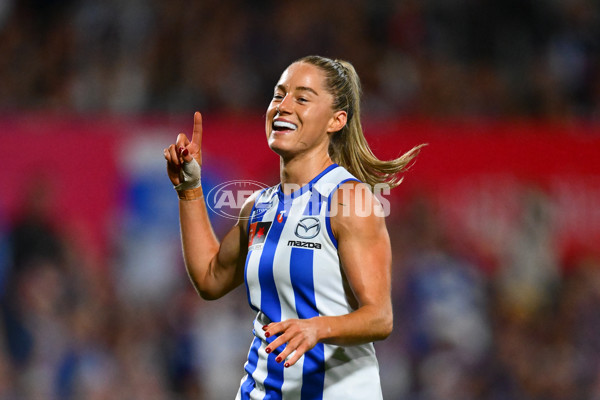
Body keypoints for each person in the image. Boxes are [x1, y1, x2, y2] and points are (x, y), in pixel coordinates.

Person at [163, 55, 424, 399]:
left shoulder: (349, 202)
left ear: (336, 120)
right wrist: (189, 190)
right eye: (278, 95)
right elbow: (211, 279)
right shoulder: (257, 207)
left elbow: (379, 318)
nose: (283, 106)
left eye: (301, 98)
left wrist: (318, 327)